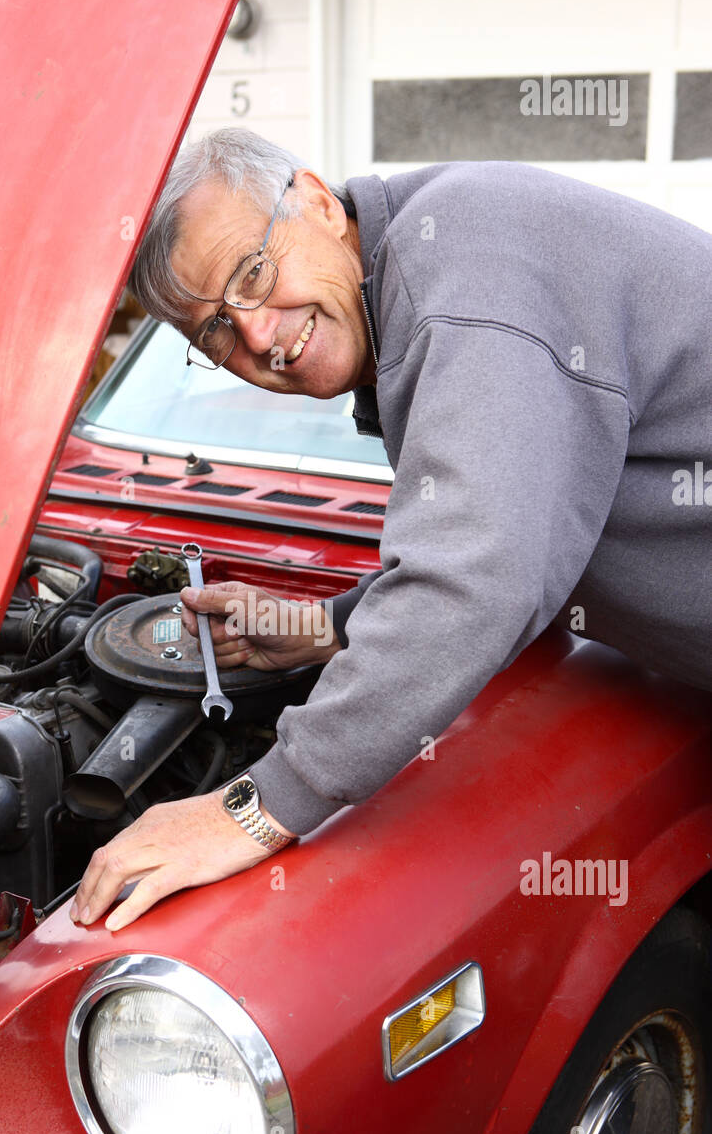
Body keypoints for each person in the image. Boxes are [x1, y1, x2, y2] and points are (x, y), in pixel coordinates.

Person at [71, 126, 712, 931]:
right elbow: (522, 524)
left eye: (253, 273)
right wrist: (327, 627)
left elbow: (475, 579)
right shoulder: (424, 270)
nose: (259, 336)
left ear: (314, 200)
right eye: (215, 333)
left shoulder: (468, 274)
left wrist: (256, 806)